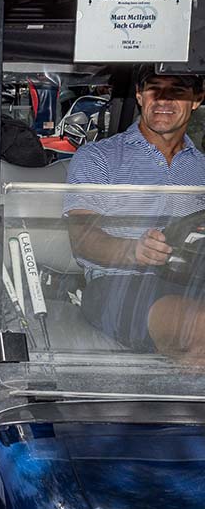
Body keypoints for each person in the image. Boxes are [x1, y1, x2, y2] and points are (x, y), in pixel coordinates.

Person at [65, 66, 205, 357]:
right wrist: (134, 251)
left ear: (197, 99)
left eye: (177, 90)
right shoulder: (98, 157)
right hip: (116, 285)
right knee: (198, 327)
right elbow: (82, 237)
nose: (163, 100)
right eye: (154, 88)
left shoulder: (201, 168)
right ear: (140, 95)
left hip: (191, 282)